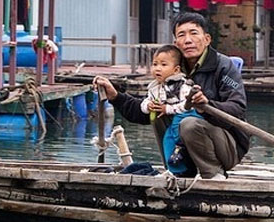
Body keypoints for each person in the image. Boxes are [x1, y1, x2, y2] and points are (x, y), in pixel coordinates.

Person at [95, 12, 249, 180]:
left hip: (227, 146)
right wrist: (116, 96)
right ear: (176, 42)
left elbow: (237, 108)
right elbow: (143, 112)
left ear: (207, 39)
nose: (188, 40)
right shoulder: (172, 67)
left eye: (194, 33)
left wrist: (207, 106)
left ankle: (212, 174)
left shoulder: (224, 67)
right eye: (182, 35)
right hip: (187, 146)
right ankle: (178, 171)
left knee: (189, 123)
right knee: (158, 112)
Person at [140, 44, 198, 175]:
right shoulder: (155, 87)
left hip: (187, 116)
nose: (157, 68)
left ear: (176, 70)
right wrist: (148, 106)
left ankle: (185, 163)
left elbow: (188, 105)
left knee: (177, 137)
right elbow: (144, 103)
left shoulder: (182, 86)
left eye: (163, 65)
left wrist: (168, 109)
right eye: (155, 64)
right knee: (167, 140)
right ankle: (175, 170)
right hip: (173, 121)